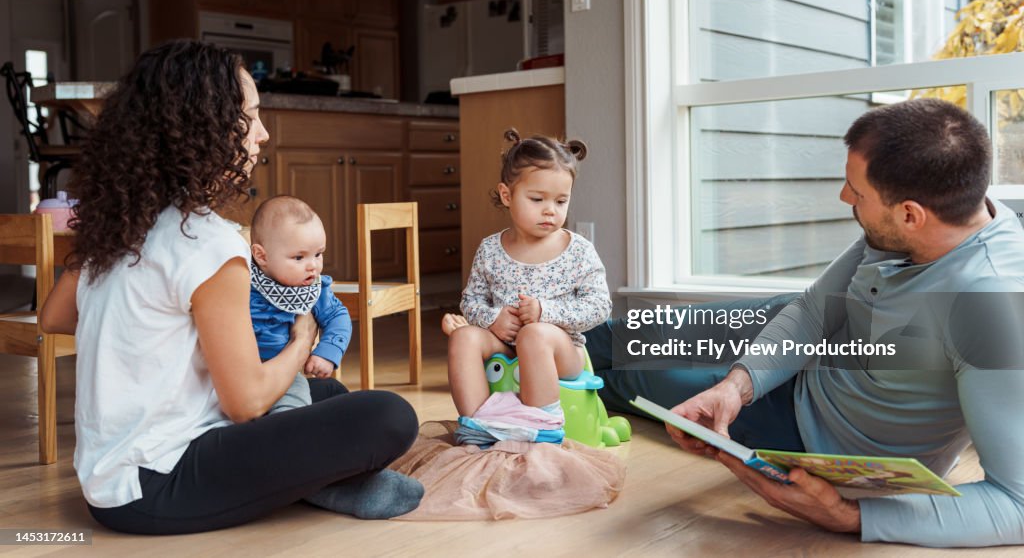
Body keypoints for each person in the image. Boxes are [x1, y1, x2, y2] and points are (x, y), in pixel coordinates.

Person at [586, 99, 1024, 547]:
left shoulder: (990, 308)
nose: (843, 196)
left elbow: (1017, 504)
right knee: (639, 334)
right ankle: (522, 350)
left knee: (632, 375)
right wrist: (736, 385)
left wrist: (849, 515)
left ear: (910, 215)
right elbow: (815, 309)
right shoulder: (942, 216)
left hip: (814, 427)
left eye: (857, 191)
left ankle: (547, 391)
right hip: (826, 344)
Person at [39, 40, 423, 534]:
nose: (262, 134)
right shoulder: (210, 243)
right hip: (161, 483)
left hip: (108, 478)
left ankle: (314, 482)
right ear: (203, 129)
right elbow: (246, 402)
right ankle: (323, 484)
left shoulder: (123, 226)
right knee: (388, 416)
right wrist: (303, 339)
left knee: (324, 393)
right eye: (251, 117)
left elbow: (54, 318)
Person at [441, 129, 612, 440]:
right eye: (537, 199)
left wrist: (545, 312)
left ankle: (541, 425)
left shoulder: (578, 251)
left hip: (560, 350)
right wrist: (494, 319)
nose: (551, 210)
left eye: (561, 201)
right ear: (507, 195)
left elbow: (599, 306)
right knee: (463, 337)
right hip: (505, 345)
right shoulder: (490, 249)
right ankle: (479, 423)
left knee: (533, 334)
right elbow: (471, 301)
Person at [249, 195, 352, 414]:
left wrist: (327, 353)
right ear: (261, 256)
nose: (312, 266)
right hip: (238, 369)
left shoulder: (315, 291)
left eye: (318, 254)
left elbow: (338, 316)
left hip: (283, 374)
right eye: (299, 257)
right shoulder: (242, 280)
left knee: (292, 405)